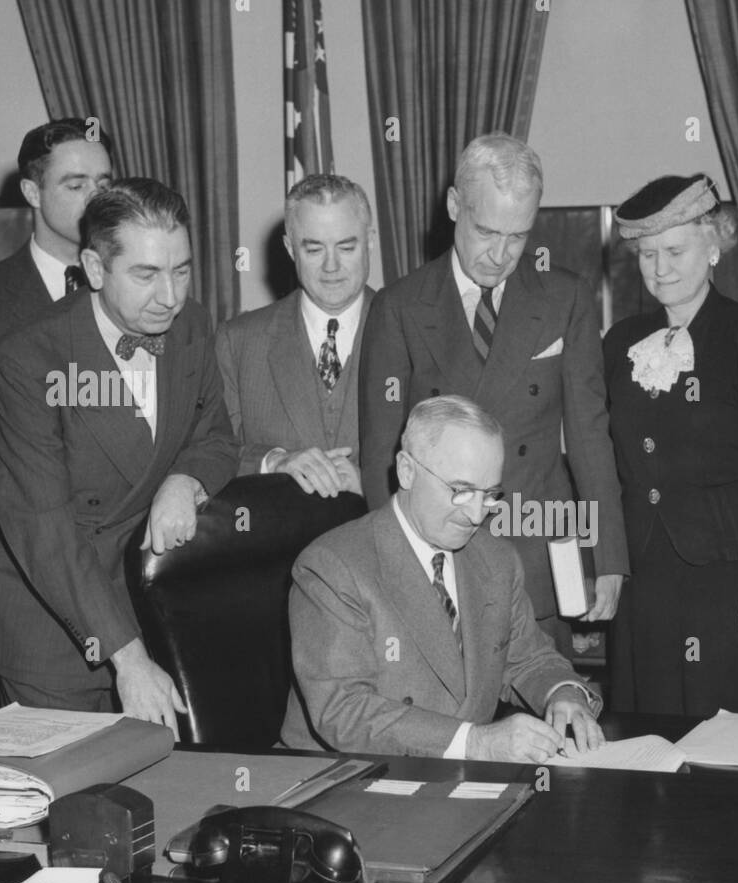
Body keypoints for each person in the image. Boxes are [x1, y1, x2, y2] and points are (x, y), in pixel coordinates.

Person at [0, 178, 239, 735]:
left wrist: (183, 481)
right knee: (69, 795)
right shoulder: (24, 363)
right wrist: (129, 658)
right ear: (95, 269)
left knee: (155, 781)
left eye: (182, 270)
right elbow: (45, 530)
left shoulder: (189, 326)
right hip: (47, 609)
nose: (170, 295)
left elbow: (214, 436)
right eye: (146, 274)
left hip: (143, 591)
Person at [358, 134, 627, 651]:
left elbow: (591, 438)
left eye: (519, 236)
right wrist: (397, 568)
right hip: (441, 557)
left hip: (539, 558)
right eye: (485, 231)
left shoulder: (564, 297)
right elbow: (381, 460)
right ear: (455, 205)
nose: (500, 255)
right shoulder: (399, 307)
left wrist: (607, 556)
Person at [282, 396, 602, 761]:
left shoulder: (496, 559)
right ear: (406, 471)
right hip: (347, 775)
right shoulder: (332, 566)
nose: (476, 513)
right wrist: (477, 743)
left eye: (490, 494)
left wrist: (564, 693)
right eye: (460, 490)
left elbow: (528, 659)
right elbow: (344, 712)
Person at [603, 174, 738, 715]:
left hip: (728, 579)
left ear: (713, 247)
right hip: (645, 579)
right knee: (649, 735)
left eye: (675, 250)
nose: (660, 268)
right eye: (646, 255)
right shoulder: (620, 345)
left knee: (728, 744)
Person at [0, 117, 114, 585]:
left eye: (103, 184)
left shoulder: (139, 289)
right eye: (75, 185)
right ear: (32, 193)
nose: (95, 199)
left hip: (128, 564)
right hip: (26, 570)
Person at [216, 174, 373, 498]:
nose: (332, 266)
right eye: (314, 249)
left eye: (346, 247)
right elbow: (210, 452)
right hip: (274, 546)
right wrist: (273, 462)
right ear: (290, 248)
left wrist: (375, 489)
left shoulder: (411, 330)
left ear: (369, 240)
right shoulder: (239, 341)